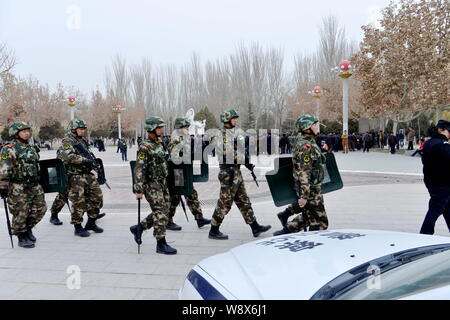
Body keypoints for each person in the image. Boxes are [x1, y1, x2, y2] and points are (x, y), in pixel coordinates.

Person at [208, 109, 271, 240]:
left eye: (236, 118)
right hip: (228, 173)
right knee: (224, 202)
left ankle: (255, 227)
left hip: (235, 172)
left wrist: (247, 162)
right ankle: (213, 230)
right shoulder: (222, 135)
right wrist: (244, 158)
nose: (236, 120)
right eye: (233, 118)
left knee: (243, 201)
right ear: (227, 120)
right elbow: (230, 154)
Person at [129, 117, 177, 255]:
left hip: (162, 183)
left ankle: (139, 228)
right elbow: (139, 168)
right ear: (151, 129)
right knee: (161, 213)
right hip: (152, 185)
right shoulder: (145, 147)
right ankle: (161, 244)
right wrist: (138, 189)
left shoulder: (159, 143)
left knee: (164, 211)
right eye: (159, 128)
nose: (161, 130)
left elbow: (163, 158)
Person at [274, 114, 328, 235]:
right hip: (310, 188)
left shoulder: (309, 142)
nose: (316, 126)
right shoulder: (305, 146)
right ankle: (311, 242)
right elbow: (304, 171)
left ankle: (284, 230)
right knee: (320, 222)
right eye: (314, 124)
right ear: (306, 128)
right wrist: (304, 196)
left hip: (313, 187)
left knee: (311, 217)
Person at [0, 122, 47, 248]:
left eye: (28, 131)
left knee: (41, 208)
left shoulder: (31, 147)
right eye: (23, 131)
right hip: (18, 186)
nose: (27, 133)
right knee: (21, 212)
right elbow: (4, 169)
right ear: (15, 134)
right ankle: (21, 236)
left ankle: (27, 228)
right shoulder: (9, 148)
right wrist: (3, 186)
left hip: (34, 184)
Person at [57, 119, 104, 237]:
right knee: (78, 202)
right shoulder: (67, 141)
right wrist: (84, 160)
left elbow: (88, 154)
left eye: (83, 129)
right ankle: (78, 227)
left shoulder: (82, 141)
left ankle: (91, 222)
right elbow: (67, 156)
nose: (82, 131)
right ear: (73, 129)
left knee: (97, 197)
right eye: (80, 129)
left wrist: (93, 164)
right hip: (75, 176)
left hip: (87, 174)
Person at [166, 117, 211, 231]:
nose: (187, 129)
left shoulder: (184, 138)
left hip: (184, 171)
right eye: (185, 127)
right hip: (178, 173)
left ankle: (199, 218)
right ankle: (168, 220)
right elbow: (174, 157)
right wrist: (188, 154)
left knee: (191, 194)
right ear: (179, 128)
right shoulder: (176, 139)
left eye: (187, 127)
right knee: (176, 197)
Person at [419, 120, 450, 235]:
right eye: (448, 131)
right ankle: (425, 234)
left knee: (447, 208)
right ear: (441, 130)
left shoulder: (429, 143)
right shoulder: (442, 145)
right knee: (435, 210)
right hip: (443, 183)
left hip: (432, 182)